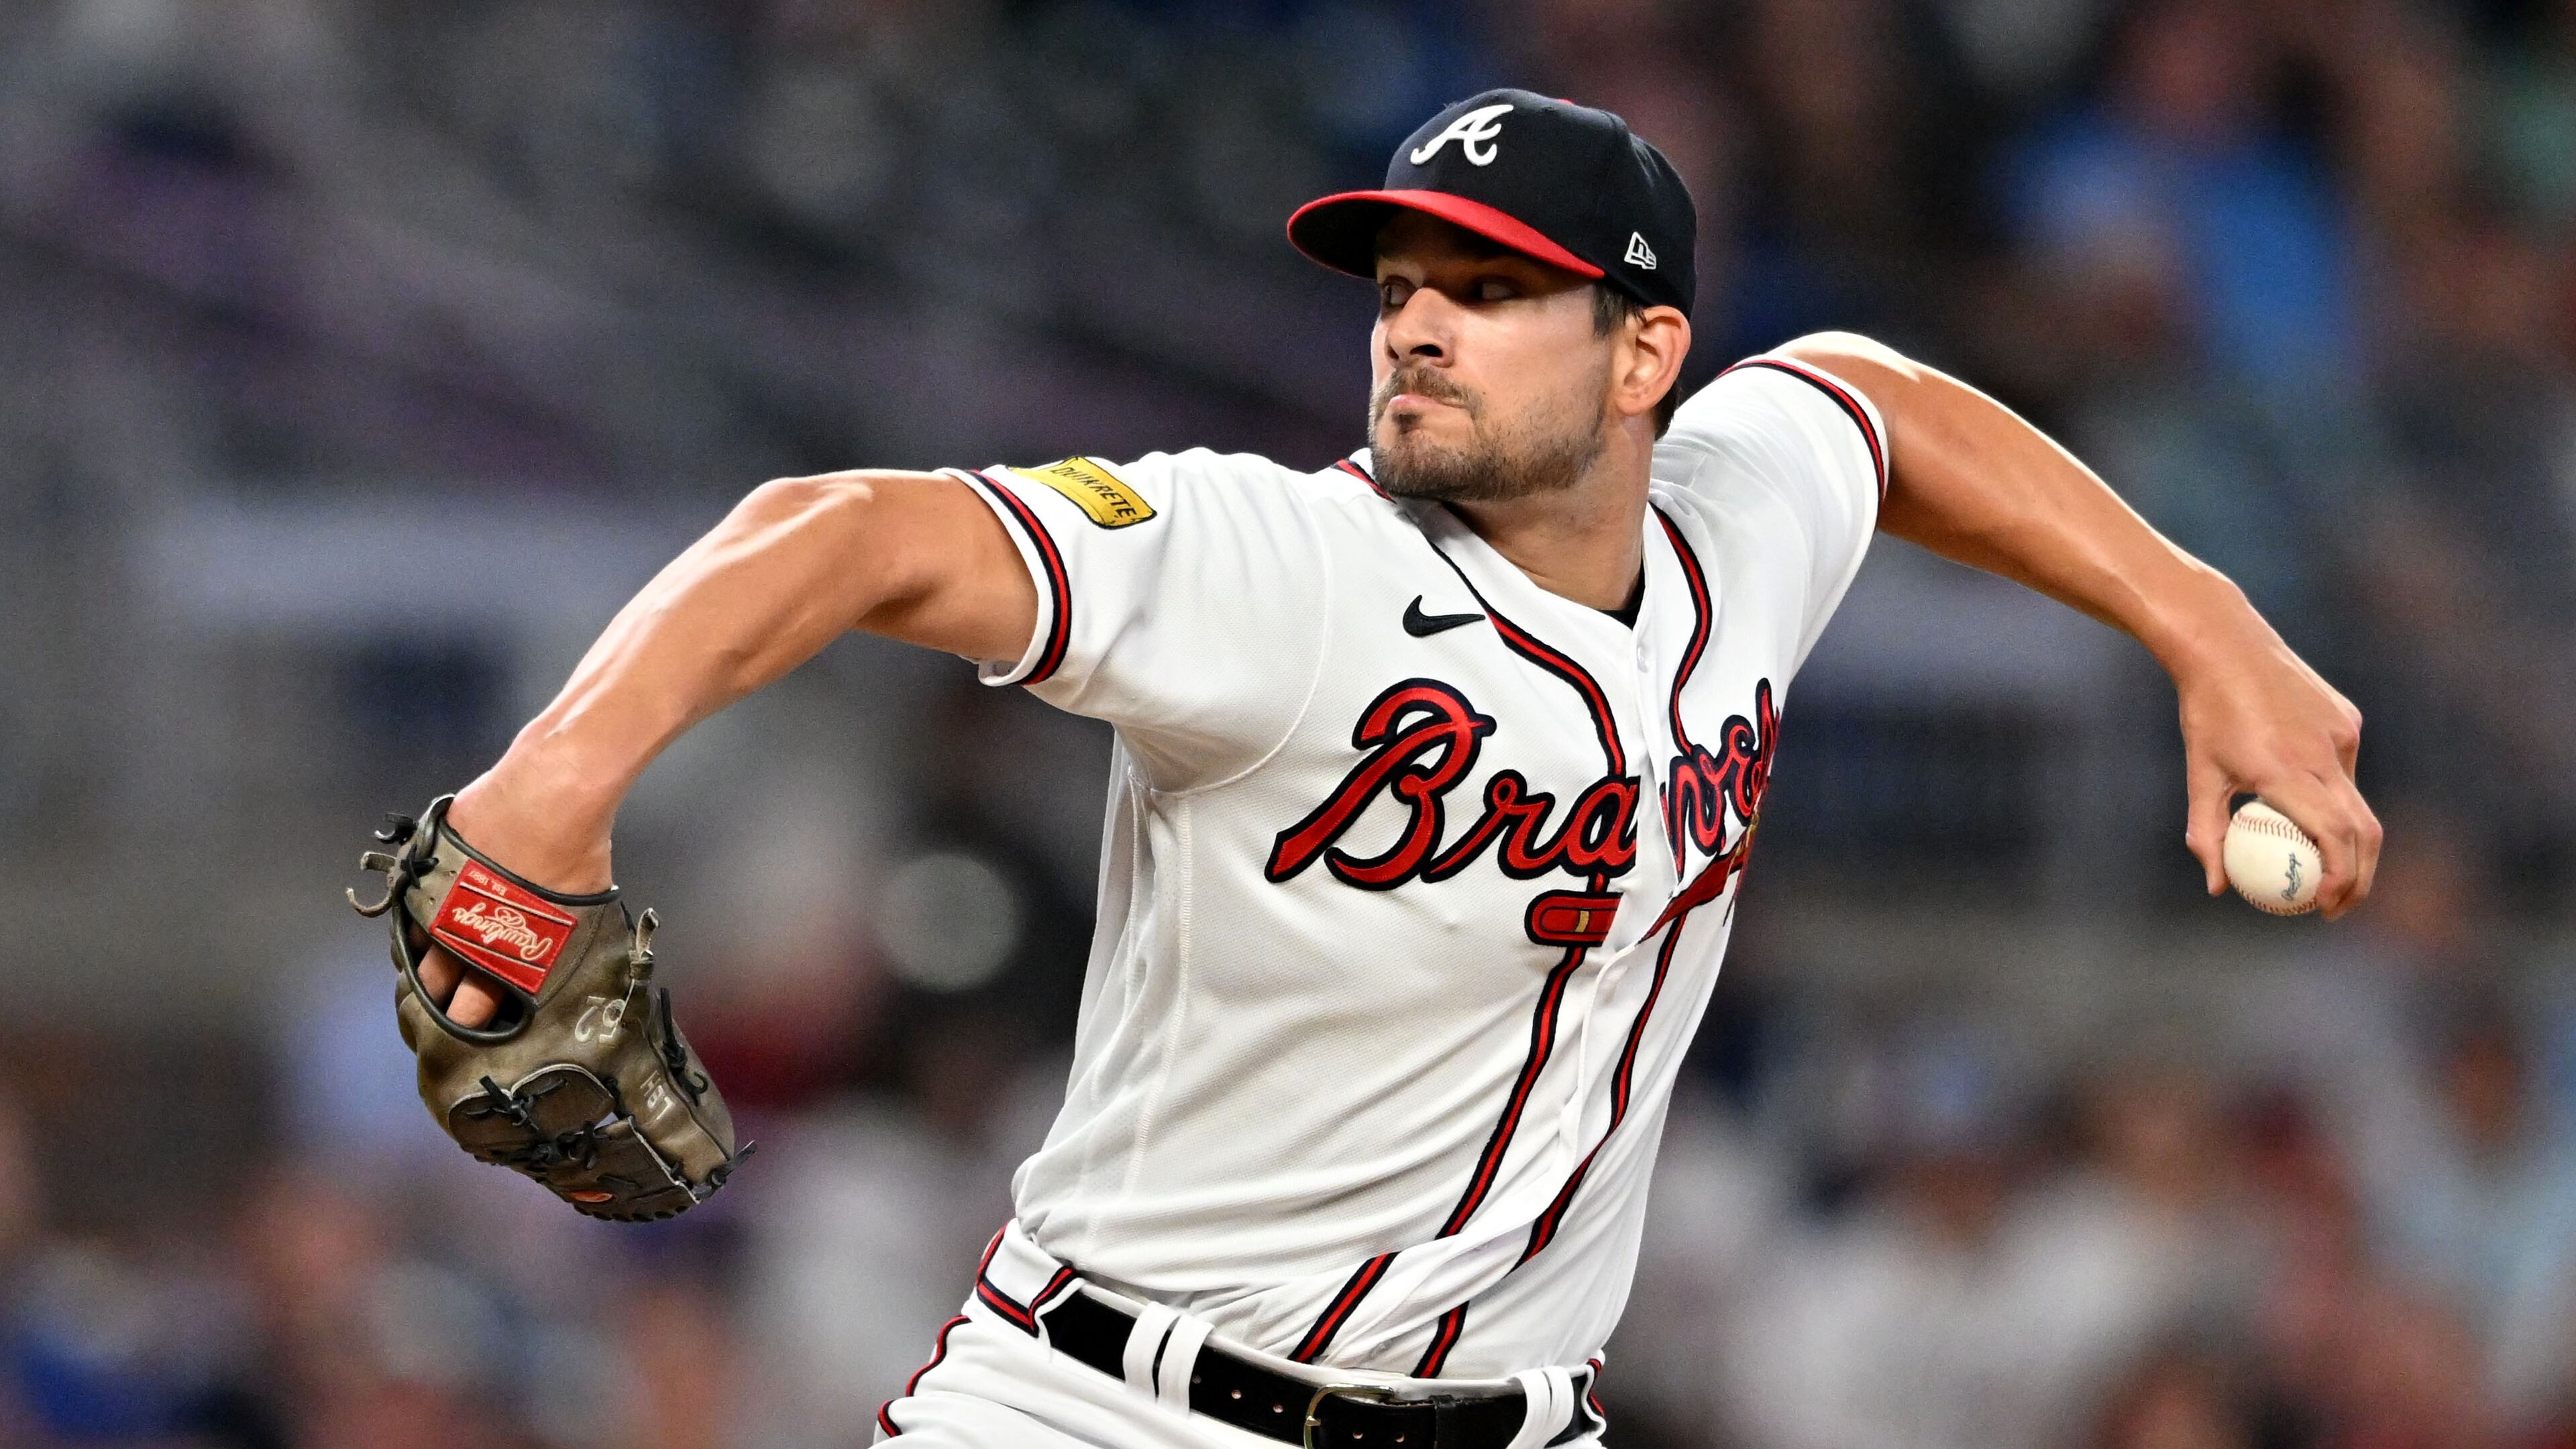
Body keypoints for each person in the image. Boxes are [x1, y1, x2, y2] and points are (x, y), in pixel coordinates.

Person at [404, 91, 2378, 1448]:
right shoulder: (1273, 566)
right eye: (1398, 286)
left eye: (1493, 290)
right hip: (1119, 1403)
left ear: (1643, 353)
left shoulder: (1739, 528)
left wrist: (2215, 628)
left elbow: (1877, 402)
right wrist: (546, 796)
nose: (1418, 327)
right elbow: (834, 529)